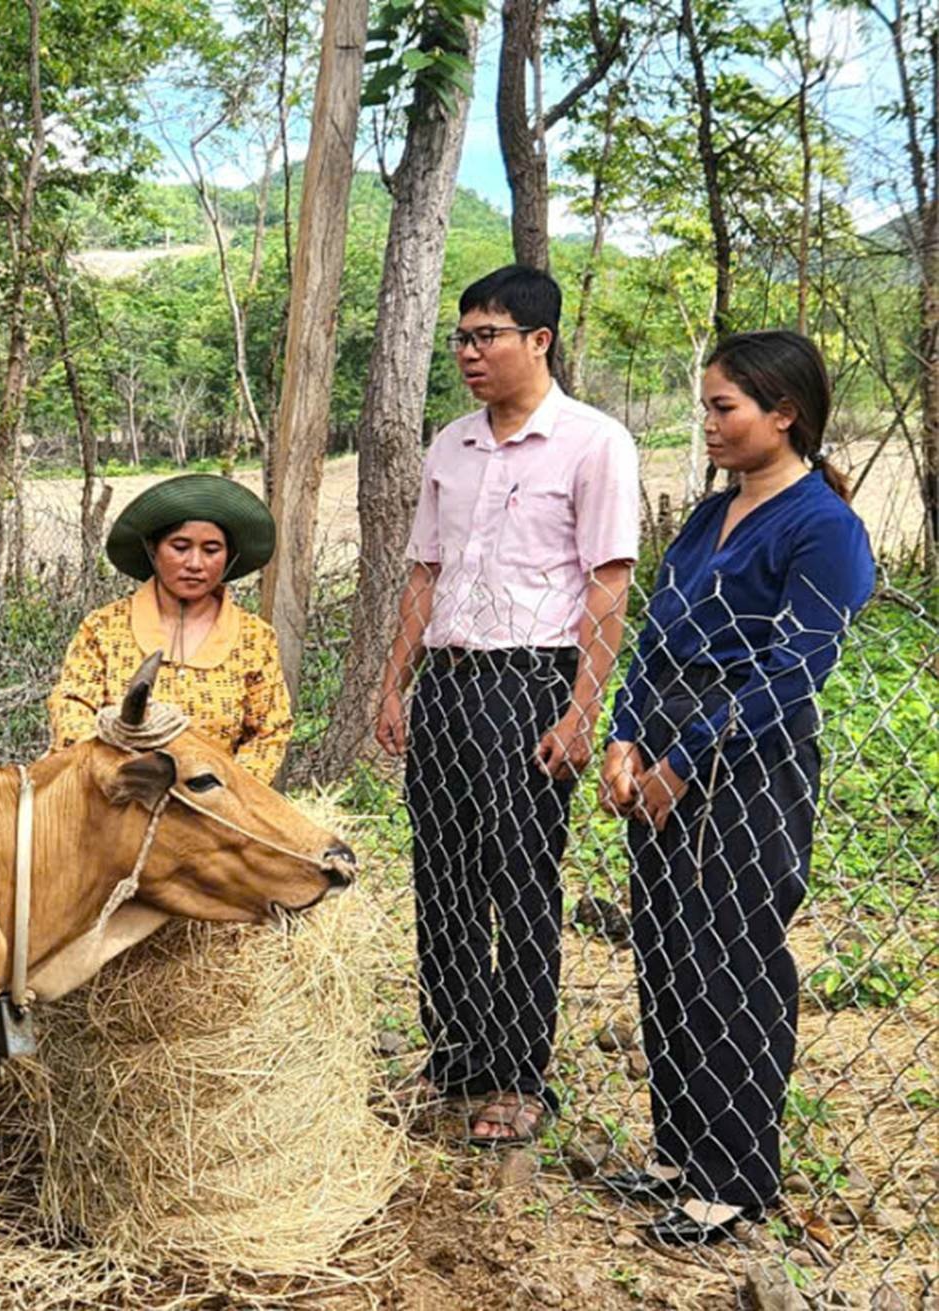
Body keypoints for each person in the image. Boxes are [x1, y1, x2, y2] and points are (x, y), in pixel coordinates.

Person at [597, 331, 874, 1246]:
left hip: (749, 758)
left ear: (783, 414)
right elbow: (655, 632)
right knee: (666, 946)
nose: (707, 423)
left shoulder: (821, 528)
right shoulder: (702, 515)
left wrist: (687, 762)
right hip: (665, 738)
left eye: (725, 407)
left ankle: (733, 1174)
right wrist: (628, 737)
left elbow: (795, 668)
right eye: (706, 405)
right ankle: (680, 1148)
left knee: (731, 955)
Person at [371, 265, 640, 1146]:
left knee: (518, 876)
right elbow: (423, 570)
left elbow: (606, 585)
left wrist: (579, 709)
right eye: (461, 335)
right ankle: (455, 1055)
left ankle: (520, 1074)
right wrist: (394, 680)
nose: (467, 351)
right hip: (447, 680)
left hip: (531, 682)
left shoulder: (592, 442)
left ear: (539, 340)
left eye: (486, 335)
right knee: (440, 874)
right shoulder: (449, 443)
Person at [49, 474, 291, 779]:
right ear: (153, 549)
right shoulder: (104, 629)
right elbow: (71, 706)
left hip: (212, 813)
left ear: (229, 556)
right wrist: (114, 775)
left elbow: (270, 731)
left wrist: (222, 792)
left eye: (211, 549)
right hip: (117, 799)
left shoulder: (255, 639)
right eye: (180, 546)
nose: (195, 563)